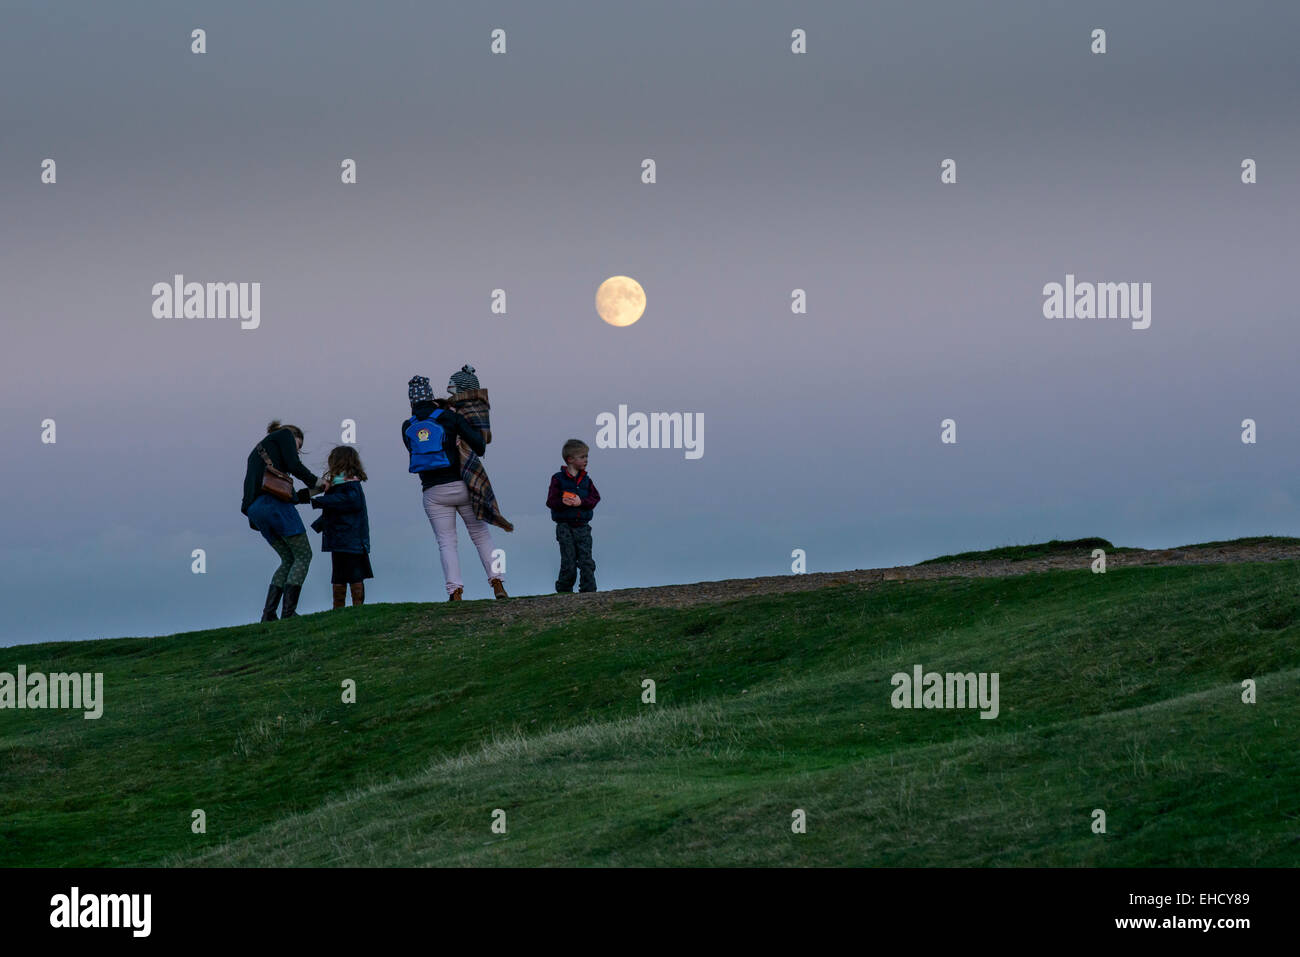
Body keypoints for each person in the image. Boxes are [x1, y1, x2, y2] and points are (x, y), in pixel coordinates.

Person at [403, 375, 507, 601]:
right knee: (480, 535)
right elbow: (480, 447)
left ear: (411, 401)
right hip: (462, 485)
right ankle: (498, 584)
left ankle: (455, 591)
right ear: (431, 395)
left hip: (433, 492)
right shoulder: (449, 418)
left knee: (446, 541)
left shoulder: (407, 426)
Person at [241, 420, 327, 621]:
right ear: (293, 437)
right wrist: (316, 481)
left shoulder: (258, 456)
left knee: (288, 559)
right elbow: (294, 465)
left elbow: (291, 495)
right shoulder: (284, 435)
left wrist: (317, 490)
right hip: (275, 506)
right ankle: (288, 612)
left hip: (257, 510)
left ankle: (269, 614)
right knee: (304, 555)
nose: (297, 451)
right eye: (299, 446)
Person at [309, 445, 373, 609]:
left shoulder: (350, 484)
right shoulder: (340, 485)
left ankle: (354, 606)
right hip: (341, 538)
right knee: (339, 575)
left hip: (350, 538)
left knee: (353, 574)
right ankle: (339, 607)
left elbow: (349, 502)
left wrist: (319, 501)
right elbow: (339, 509)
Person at [546, 439, 601, 592]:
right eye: (582, 457)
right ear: (570, 459)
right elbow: (550, 501)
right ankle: (564, 591)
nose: (586, 460)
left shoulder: (586, 480)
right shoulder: (558, 479)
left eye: (586, 457)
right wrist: (563, 502)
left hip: (583, 526)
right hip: (564, 526)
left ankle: (588, 590)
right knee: (568, 560)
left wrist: (581, 502)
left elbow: (595, 498)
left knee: (586, 560)